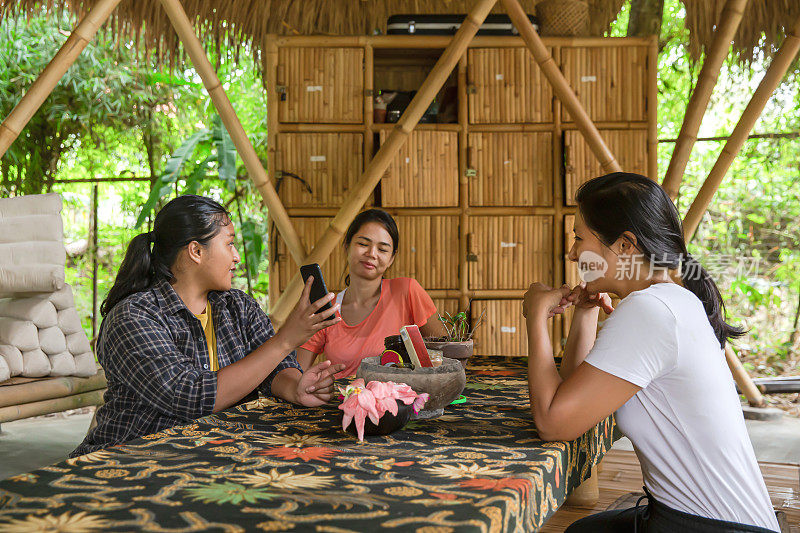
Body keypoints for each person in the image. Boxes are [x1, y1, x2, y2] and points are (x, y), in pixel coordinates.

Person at [522, 173, 779, 532]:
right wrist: (586, 311)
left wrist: (535, 317)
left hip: (711, 527)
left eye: (580, 238)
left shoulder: (651, 311)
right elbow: (573, 398)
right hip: (696, 518)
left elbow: (553, 422)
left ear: (626, 245)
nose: (572, 252)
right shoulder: (671, 300)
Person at [71, 195, 343, 457]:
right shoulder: (133, 317)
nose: (236, 257)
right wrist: (285, 340)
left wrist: (296, 387)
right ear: (196, 251)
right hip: (129, 460)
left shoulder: (238, 306)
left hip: (209, 454)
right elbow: (191, 397)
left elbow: (274, 370)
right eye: (229, 245)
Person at [296, 209, 444, 377]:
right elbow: (297, 372)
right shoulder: (327, 309)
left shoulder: (406, 291)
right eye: (363, 244)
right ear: (346, 246)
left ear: (391, 259)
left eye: (382, 249)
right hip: (342, 401)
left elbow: (445, 352)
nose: (372, 254)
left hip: (399, 401)